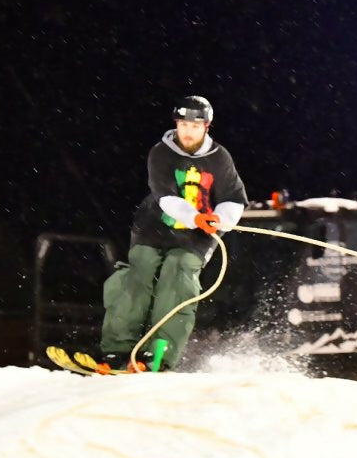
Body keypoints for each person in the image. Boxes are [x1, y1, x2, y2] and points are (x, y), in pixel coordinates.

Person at [99, 95, 248, 371]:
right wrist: (194, 216)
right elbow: (164, 195)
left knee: (177, 275)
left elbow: (234, 198)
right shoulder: (161, 152)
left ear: (206, 126)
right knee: (139, 273)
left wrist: (220, 219)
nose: (187, 132)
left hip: (196, 237)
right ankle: (117, 349)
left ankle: (158, 355)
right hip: (154, 228)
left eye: (194, 126)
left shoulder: (220, 158)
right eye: (182, 125)